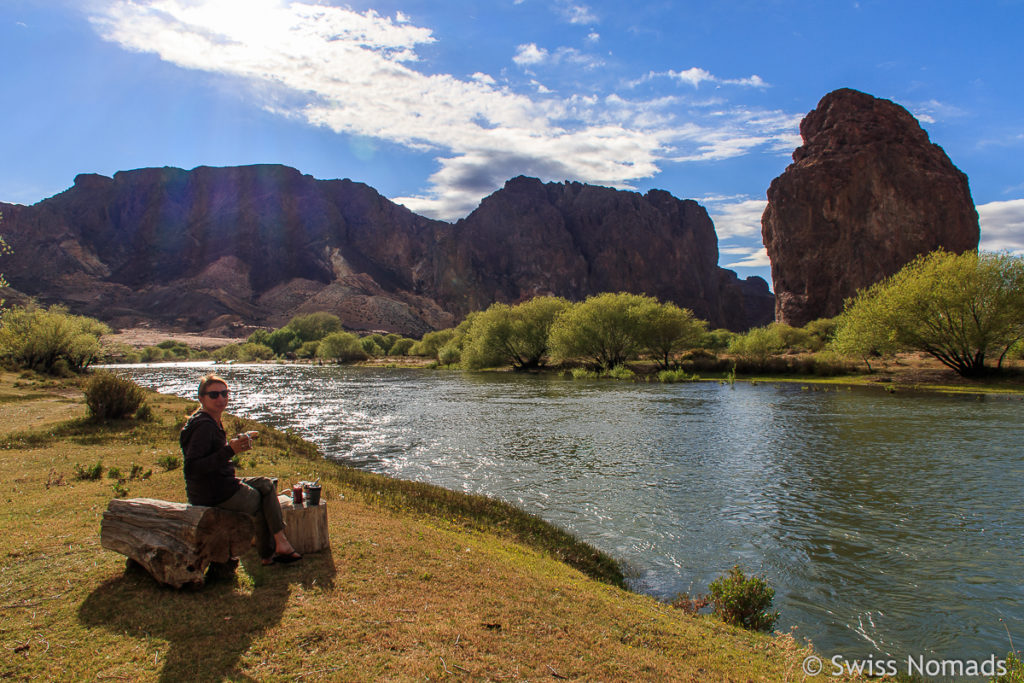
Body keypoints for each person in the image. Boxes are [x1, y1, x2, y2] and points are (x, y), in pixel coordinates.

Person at [180, 373, 301, 565]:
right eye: (214, 395)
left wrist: (233, 447)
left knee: (266, 484)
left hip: (220, 484)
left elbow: (212, 456)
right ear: (201, 398)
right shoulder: (204, 427)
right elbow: (193, 468)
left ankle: (277, 545)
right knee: (261, 501)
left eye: (224, 393)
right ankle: (272, 551)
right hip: (214, 492)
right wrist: (230, 450)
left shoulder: (209, 420)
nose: (221, 398)